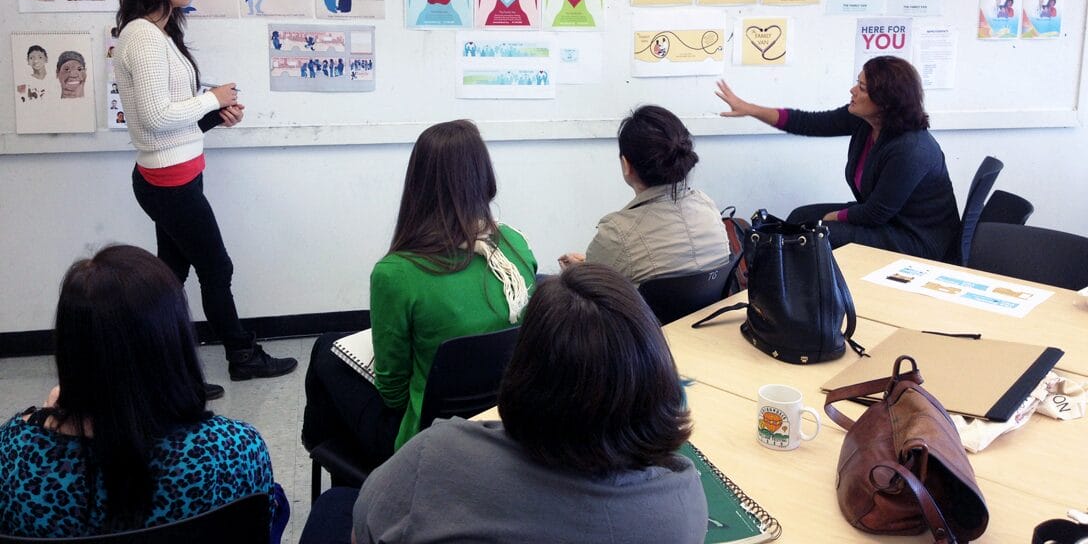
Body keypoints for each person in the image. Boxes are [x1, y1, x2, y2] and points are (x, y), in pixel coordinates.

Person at [299, 263, 706, 544]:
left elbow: (362, 533)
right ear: (656, 377)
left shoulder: (433, 457)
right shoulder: (683, 503)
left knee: (335, 506)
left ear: (522, 368)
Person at [302, 119, 537, 471]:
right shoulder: (513, 245)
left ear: (418, 184)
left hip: (429, 440)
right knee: (331, 345)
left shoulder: (395, 274)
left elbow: (393, 392)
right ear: (484, 176)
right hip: (507, 419)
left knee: (326, 354)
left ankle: (326, 455)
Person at [0, 245, 281, 538]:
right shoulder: (235, 449)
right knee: (275, 500)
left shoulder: (12, 454)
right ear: (174, 340)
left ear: (69, 348)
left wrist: (49, 417)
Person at [113, 0, 296, 394]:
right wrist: (212, 99)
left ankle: (159, 370)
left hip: (172, 175)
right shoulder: (142, 37)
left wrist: (213, 116)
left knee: (169, 278)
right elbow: (156, 117)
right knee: (217, 268)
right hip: (169, 182)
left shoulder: (158, 33)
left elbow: (168, 118)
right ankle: (241, 355)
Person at [714, 55, 959, 260]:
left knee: (815, 235)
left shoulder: (911, 149)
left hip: (916, 238)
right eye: (857, 82)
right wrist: (749, 109)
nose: (852, 90)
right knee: (801, 217)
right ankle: (780, 290)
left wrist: (835, 217)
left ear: (885, 101)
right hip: (887, 220)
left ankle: (803, 300)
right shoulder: (865, 121)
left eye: (862, 88)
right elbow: (808, 123)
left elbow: (876, 214)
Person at [559, 105, 730, 283]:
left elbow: (590, 291)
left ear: (626, 164)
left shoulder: (616, 235)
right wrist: (588, 266)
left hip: (644, 311)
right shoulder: (707, 206)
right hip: (711, 310)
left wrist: (577, 273)